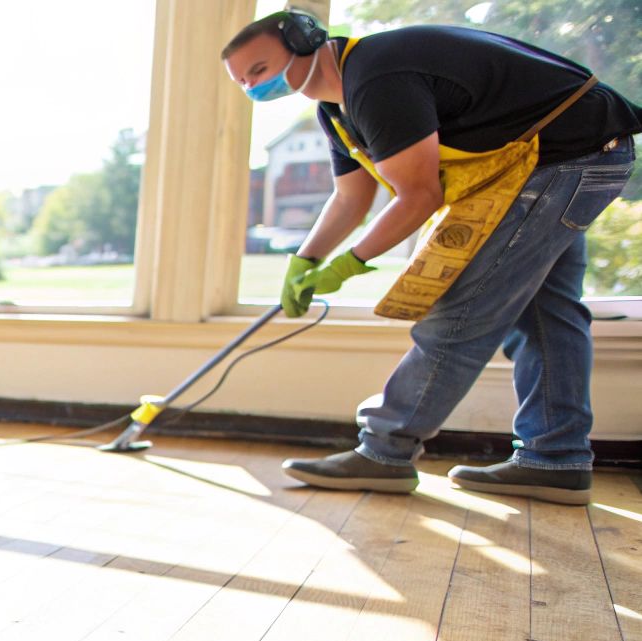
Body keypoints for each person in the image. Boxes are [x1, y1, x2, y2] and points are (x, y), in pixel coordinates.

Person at [222, 10, 639, 505]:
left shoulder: (378, 79)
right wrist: (306, 260)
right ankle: (556, 459)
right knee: (545, 311)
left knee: (464, 308)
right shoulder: (336, 110)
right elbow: (351, 199)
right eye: (243, 81)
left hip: (566, 157)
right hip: (557, 158)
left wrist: (350, 263)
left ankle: (385, 452)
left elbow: (417, 195)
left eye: (259, 70)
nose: (253, 87)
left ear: (304, 40)